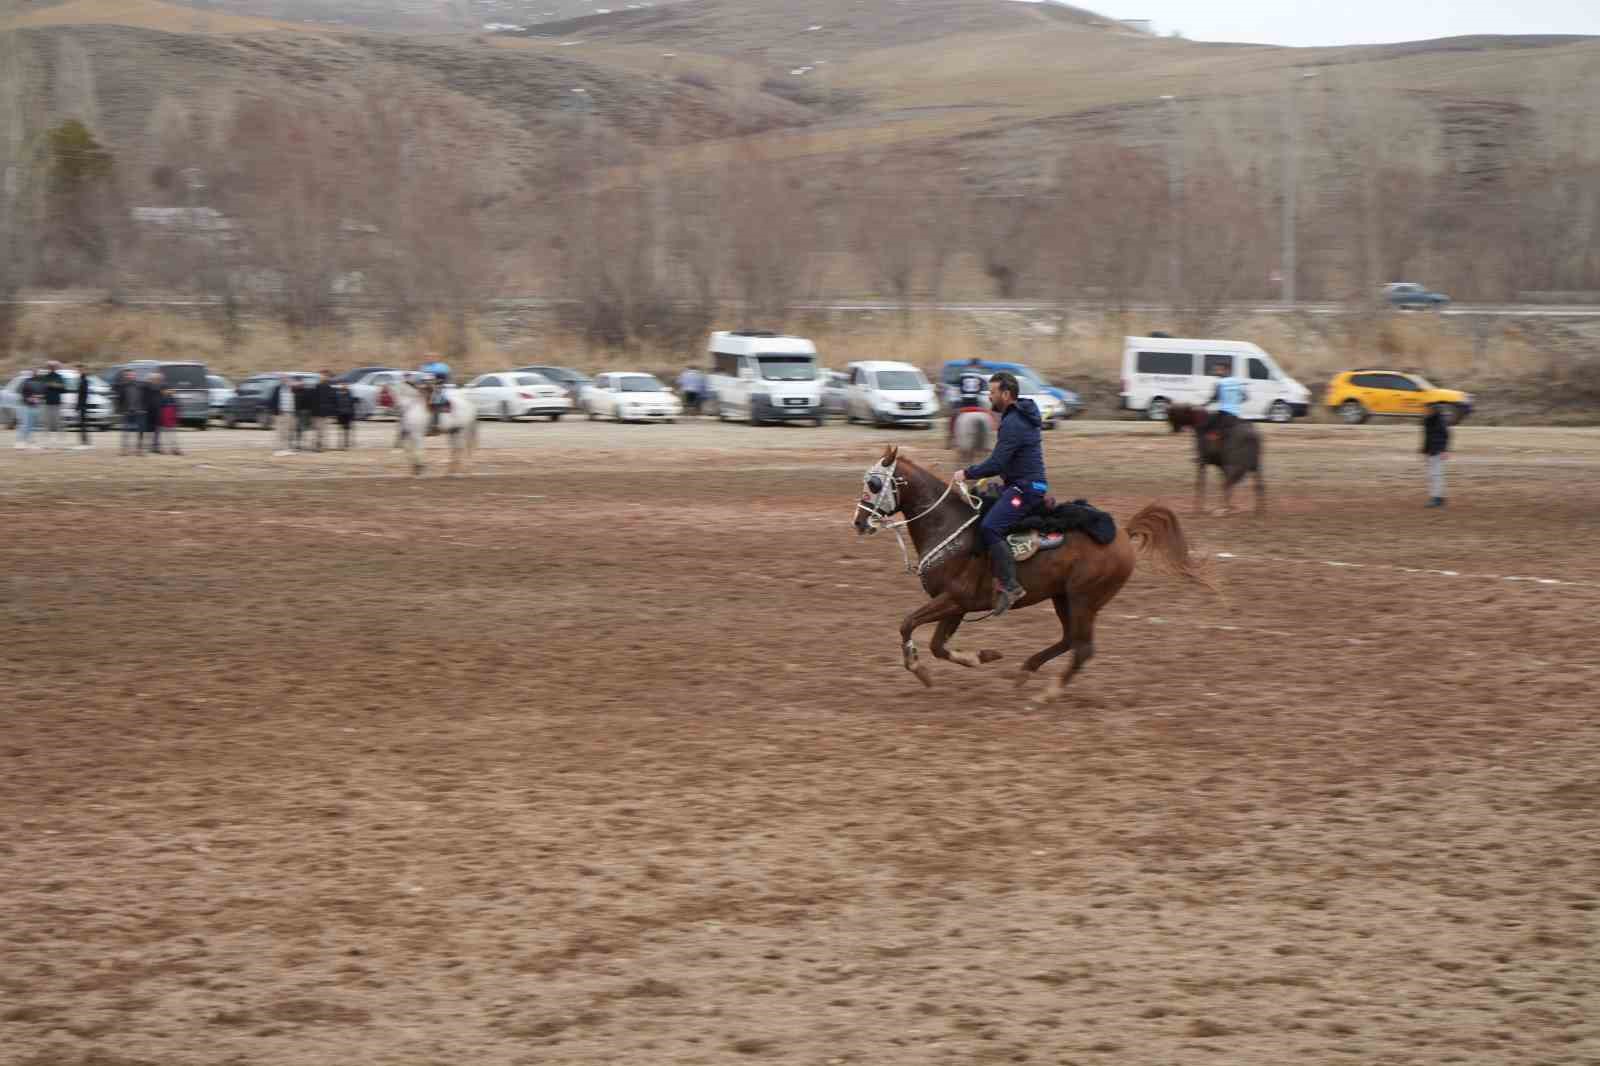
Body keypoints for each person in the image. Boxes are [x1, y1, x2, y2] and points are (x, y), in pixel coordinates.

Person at [950, 372, 1046, 617]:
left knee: (990, 527)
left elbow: (998, 463)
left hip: (1025, 490)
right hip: (1017, 485)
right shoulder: (1018, 416)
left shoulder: (1013, 422)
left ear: (1005, 394)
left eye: (992, 392)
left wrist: (967, 472)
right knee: (979, 503)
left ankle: (1011, 586)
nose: (989, 397)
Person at [947, 358, 990, 448]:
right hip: (977, 404)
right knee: (990, 419)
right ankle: (988, 443)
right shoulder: (982, 377)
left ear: (969, 365)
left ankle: (951, 439)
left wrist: (954, 404)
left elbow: (953, 391)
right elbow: (985, 395)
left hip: (963, 403)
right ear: (977, 366)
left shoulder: (961, 376)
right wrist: (985, 407)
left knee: (953, 419)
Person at [1203, 358, 1248, 438]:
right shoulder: (1238, 382)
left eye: (1218, 370)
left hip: (1224, 414)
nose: (1216, 372)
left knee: (1207, 428)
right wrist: (1234, 401)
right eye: (1215, 370)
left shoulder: (1220, 383)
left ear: (1227, 370)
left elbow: (1214, 398)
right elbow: (1245, 398)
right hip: (1236, 414)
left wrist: (1203, 405)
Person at [1422, 401, 1452, 508]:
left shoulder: (1440, 421)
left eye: (1429, 409)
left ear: (1434, 411)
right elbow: (1426, 438)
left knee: (1437, 475)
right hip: (1431, 451)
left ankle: (1437, 498)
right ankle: (1438, 497)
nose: (1426, 411)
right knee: (1432, 475)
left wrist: (1445, 450)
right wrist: (1425, 451)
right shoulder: (1427, 421)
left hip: (1438, 451)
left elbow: (1447, 435)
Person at [114, 369, 146, 454]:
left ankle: (139, 449)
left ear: (135, 375)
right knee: (125, 431)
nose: (129, 376)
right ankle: (124, 449)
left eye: (131, 375)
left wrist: (143, 409)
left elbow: (145, 398)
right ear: (125, 376)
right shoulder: (122, 386)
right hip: (127, 411)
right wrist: (120, 410)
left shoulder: (141, 385)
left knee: (140, 431)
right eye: (127, 375)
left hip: (139, 411)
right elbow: (119, 399)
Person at [38, 361, 67, 449]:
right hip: (47, 402)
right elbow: (42, 389)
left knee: (58, 422)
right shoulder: (45, 377)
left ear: (56, 368)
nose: (51, 368)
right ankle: (46, 441)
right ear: (48, 368)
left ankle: (61, 440)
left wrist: (55, 385)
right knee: (46, 422)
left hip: (57, 402)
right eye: (50, 366)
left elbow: (64, 389)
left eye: (53, 366)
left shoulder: (59, 377)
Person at [14, 368, 42, 449]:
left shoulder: (40, 382)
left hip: (36, 406)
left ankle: (31, 443)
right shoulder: (26, 381)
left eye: (36, 372)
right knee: (25, 424)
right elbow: (21, 392)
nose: (35, 373)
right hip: (26, 406)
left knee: (33, 425)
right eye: (34, 372)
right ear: (31, 373)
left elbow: (42, 393)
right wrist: (28, 398)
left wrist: (39, 397)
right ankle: (19, 442)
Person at [312, 371, 338, 452]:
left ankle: (322, 446)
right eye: (322, 376)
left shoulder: (330, 388)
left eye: (325, 376)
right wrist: (313, 412)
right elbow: (313, 400)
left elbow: (333, 400)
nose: (323, 377)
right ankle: (317, 446)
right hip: (317, 412)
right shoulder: (317, 387)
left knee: (324, 430)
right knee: (318, 430)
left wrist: (332, 412)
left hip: (325, 412)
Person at [271, 375, 297, 455]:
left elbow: (293, 401)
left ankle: (286, 448)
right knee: (280, 431)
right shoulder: (277, 389)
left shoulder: (291, 389)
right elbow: (273, 401)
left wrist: (293, 412)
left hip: (289, 413)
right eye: (283, 379)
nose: (285, 381)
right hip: (280, 413)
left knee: (287, 431)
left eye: (287, 379)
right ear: (281, 380)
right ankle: (279, 448)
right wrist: (275, 412)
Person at [142, 372, 167, 455]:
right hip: (149, 412)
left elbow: (163, 397)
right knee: (148, 430)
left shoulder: (161, 387)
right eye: (156, 379)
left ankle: (155, 447)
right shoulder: (147, 387)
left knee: (157, 430)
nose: (158, 380)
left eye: (159, 379)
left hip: (157, 411)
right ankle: (149, 447)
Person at [333, 380, 357, 449]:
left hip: (348, 414)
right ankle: (340, 444)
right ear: (341, 385)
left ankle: (346, 444)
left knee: (346, 430)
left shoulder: (350, 393)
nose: (344, 385)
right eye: (343, 384)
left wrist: (353, 414)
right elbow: (335, 404)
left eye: (345, 384)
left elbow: (351, 404)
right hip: (340, 414)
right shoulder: (338, 393)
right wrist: (335, 413)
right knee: (340, 430)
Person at [73, 364, 92, 449]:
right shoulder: (80, 379)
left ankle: (85, 442)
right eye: (78, 370)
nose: (78, 371)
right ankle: (84, 441)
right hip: (81, 405)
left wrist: (80, 405)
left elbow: (84, 394)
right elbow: (79, 394)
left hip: (83, 405)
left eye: (80, 370)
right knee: (81, 424)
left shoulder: (84, 380)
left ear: (83, 370)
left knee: (83, 424)